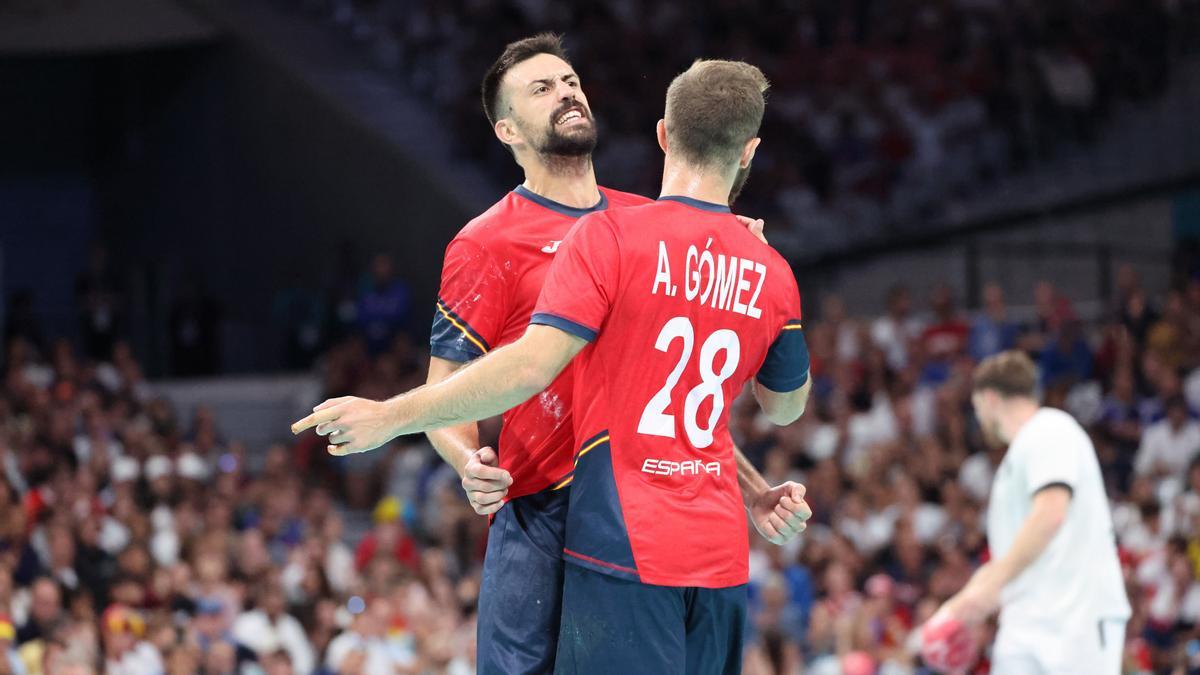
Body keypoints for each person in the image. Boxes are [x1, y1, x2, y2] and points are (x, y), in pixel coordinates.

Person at [304, 34, 808, 674]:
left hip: (633, 507)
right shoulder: (486, 242)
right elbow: (451, 386)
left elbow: (668, 400)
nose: (567, 92)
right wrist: (465, 459)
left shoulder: (638, 225)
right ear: (506, 129)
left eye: (571, 80)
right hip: (542, 510)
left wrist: (755, 488)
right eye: (542, 88)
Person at [922, 350, 1130, 673]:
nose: (978, 419)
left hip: (1076, 618)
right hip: (1024, 622)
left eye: (976, 408)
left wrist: (986, 589)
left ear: (989, 398)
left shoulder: (1050, 429)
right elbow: (1011, 557)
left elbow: (1050, 515)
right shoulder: (1014, 460)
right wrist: (958, 609)